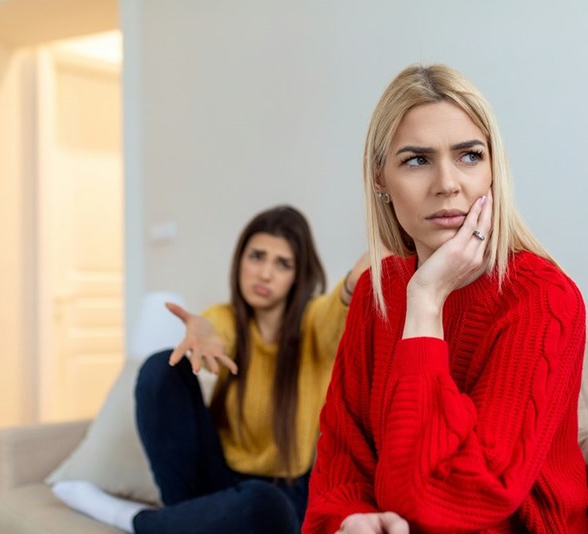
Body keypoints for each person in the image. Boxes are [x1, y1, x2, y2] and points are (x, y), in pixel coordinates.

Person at [302, 65, 588, 533]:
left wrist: (425, 302)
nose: (447, 183)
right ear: (380, 178)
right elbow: (342, 459)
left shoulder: (544, 298)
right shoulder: (376, 295)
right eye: (416, 160)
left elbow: (460, 496)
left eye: (469, 156)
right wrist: (350, 520)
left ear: (494, 168)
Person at [54, 205, 370, 533]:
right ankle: (185, 516)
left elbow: (336, 309)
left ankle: (136, 520)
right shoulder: (225, 317)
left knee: (264, 504)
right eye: (257, 257)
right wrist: (206, 333)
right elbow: (218, 330)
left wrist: (352, 283)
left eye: (283, 264)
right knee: (160, 368)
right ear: (240, 262)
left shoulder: (313, 322)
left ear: (297, 275)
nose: (265, 274)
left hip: (284, 492)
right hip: (215, 476)